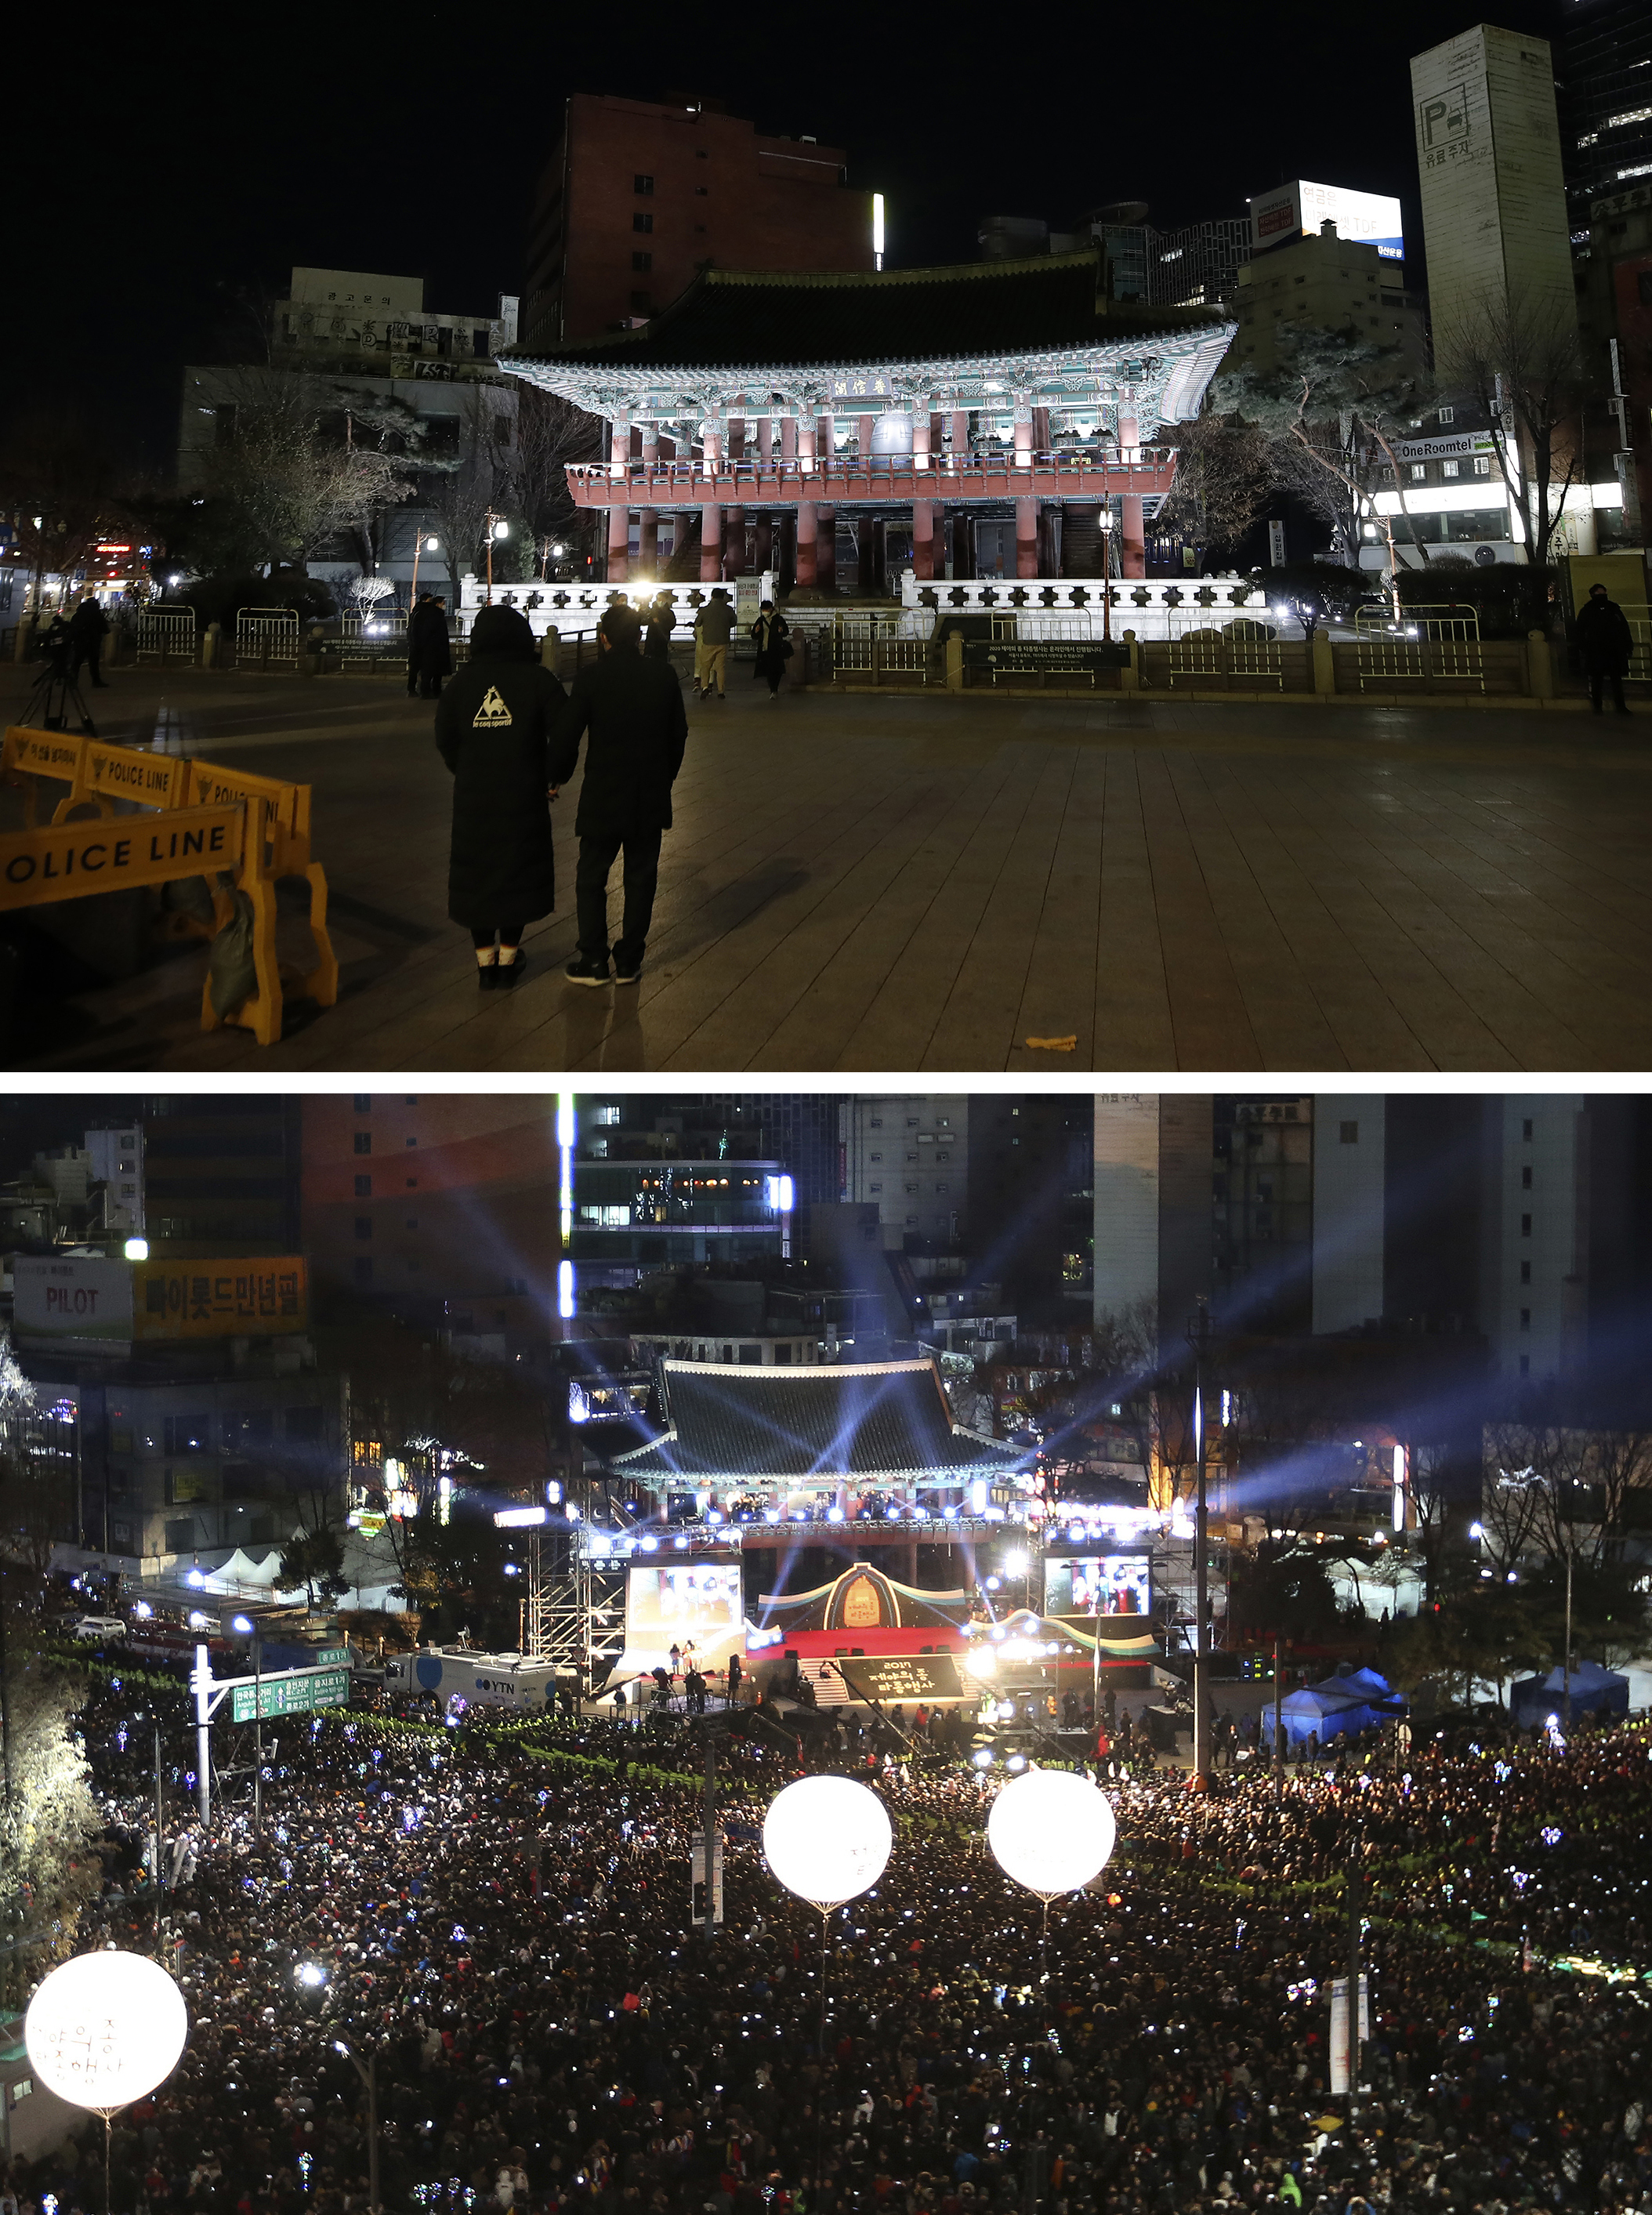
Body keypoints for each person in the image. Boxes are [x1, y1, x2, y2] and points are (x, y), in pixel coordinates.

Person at [550, 600, 688, 987]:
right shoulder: (662, 675)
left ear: (604, 637)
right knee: (641, 877)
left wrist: (555, 775)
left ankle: (593, 959)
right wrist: (666, 778)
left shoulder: (591, 677)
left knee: (591, 876)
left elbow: (567, 734)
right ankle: (628, 960)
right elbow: (678, 734)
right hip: (648, 793)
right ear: (640, 636)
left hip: (603, 791)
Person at [433, 603, 566, 989]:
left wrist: (467, 769)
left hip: (475, 795)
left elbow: (445, 735)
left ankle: (484, 963)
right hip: (523, 793)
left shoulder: (462, 684)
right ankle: (508, 959)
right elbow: (565, 730)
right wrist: (551, 775)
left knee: (478, 873)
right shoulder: (539, 681)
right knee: (516, 873)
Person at [1575, 579, 1634, 715]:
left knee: (1615, 681)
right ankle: (1599, 707)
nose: (1602, 596)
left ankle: (1618, 706)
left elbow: (1624, 628)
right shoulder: (1593, 610)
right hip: (1598, 650)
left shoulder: (1610, 608)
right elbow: (1580, 630)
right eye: (1599, 593)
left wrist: (1627, 645)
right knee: (1599, 680)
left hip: (1611, 650)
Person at [406, 591, 453, 699]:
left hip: (420, 646)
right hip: (427, 647)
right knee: (428, 671)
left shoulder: (417, 612)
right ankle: (425, 691)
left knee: (421, 670)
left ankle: (415, 690)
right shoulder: (430, 614)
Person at [694, 588, 734, 698]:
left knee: (706, 666)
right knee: (720, 668)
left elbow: (697, 623)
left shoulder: (704, 610)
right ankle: (721, 691)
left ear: (712, 597)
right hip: (723, 642)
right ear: (722, 597)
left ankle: (705, 687)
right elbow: (734, 622)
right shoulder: (728, 609)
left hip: (708, 642)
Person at [67, 592, 110, 687]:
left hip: (79, 642)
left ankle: (72, 681)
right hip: (93, 641)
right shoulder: (96, 615)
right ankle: (96, 681)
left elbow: (73, 628)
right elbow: (106, 629)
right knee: (93, 663)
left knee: (77, 662)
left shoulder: (78, 615)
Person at [751, 598, 791, 699]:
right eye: (763, 610)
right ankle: (773, 690)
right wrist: (756, 631)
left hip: (776, 649)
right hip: (765, 649)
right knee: (769, 671)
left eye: (766, 609)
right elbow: (754, 636)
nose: (765, 612)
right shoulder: (761, 620)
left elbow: (786, 632)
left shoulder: (778, 619)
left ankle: (774, 688)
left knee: (776, 670)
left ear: (771, 609)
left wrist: (781, 631)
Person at [645, 593, 675, 662]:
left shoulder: (669, 612)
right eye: (659, 599)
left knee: (662, 659)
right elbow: (644, 621)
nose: (660, 601)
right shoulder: (651, 611)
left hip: (663, 639)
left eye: (662, 599)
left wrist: (660, 623)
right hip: (651, 640)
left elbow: (672, 625)